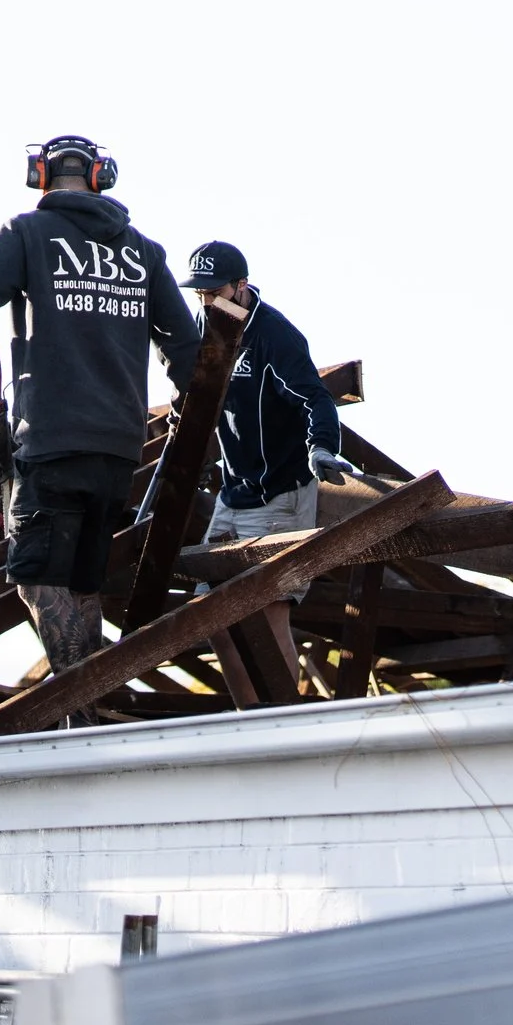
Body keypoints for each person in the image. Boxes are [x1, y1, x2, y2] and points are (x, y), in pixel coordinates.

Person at [0, 135, 199, 680]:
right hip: (117, 448)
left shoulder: (27, 233)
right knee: (83, 585)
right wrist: (191, 403)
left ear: (39, 175)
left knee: (37, 580)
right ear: (100, 176)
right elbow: (186, 348)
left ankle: (77, 707)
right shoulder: (144, 252)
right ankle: (90, 707)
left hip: (52, 439)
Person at [182, 241, 352, 696]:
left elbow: (315, 398)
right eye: (199, 295)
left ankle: (283, 722)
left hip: (280, 490)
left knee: (269, 609)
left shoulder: (276, 335)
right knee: (212, 617)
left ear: (241, 286)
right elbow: (194, 393)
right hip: (233, 493)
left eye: (214, 292)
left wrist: (321, 449)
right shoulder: (206, 323)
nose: (206, 302)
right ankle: (250, 722)